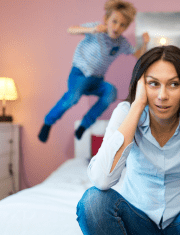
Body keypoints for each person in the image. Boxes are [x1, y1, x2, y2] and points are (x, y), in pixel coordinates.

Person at [76, 45, 180, 235]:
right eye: (153, 84)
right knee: (92, 202)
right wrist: (138, 104)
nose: (162, 96)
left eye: (174, 84)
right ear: (141, 85)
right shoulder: (126, 112)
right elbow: (101, 180)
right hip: (136, 223)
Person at [38, 0, 150, 142]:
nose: (117, 27)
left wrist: (145, 43)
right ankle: (48, 122)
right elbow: (71, 29)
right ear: (106, 20)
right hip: (79, 74)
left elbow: (138, 54)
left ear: (126, 27)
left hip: (97, 80)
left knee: (111, 92)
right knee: (72, 98)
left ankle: (84, 125)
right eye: (114, 21)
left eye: (122, 25)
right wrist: (92, 30)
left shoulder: (121, 43)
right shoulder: (96, 29)